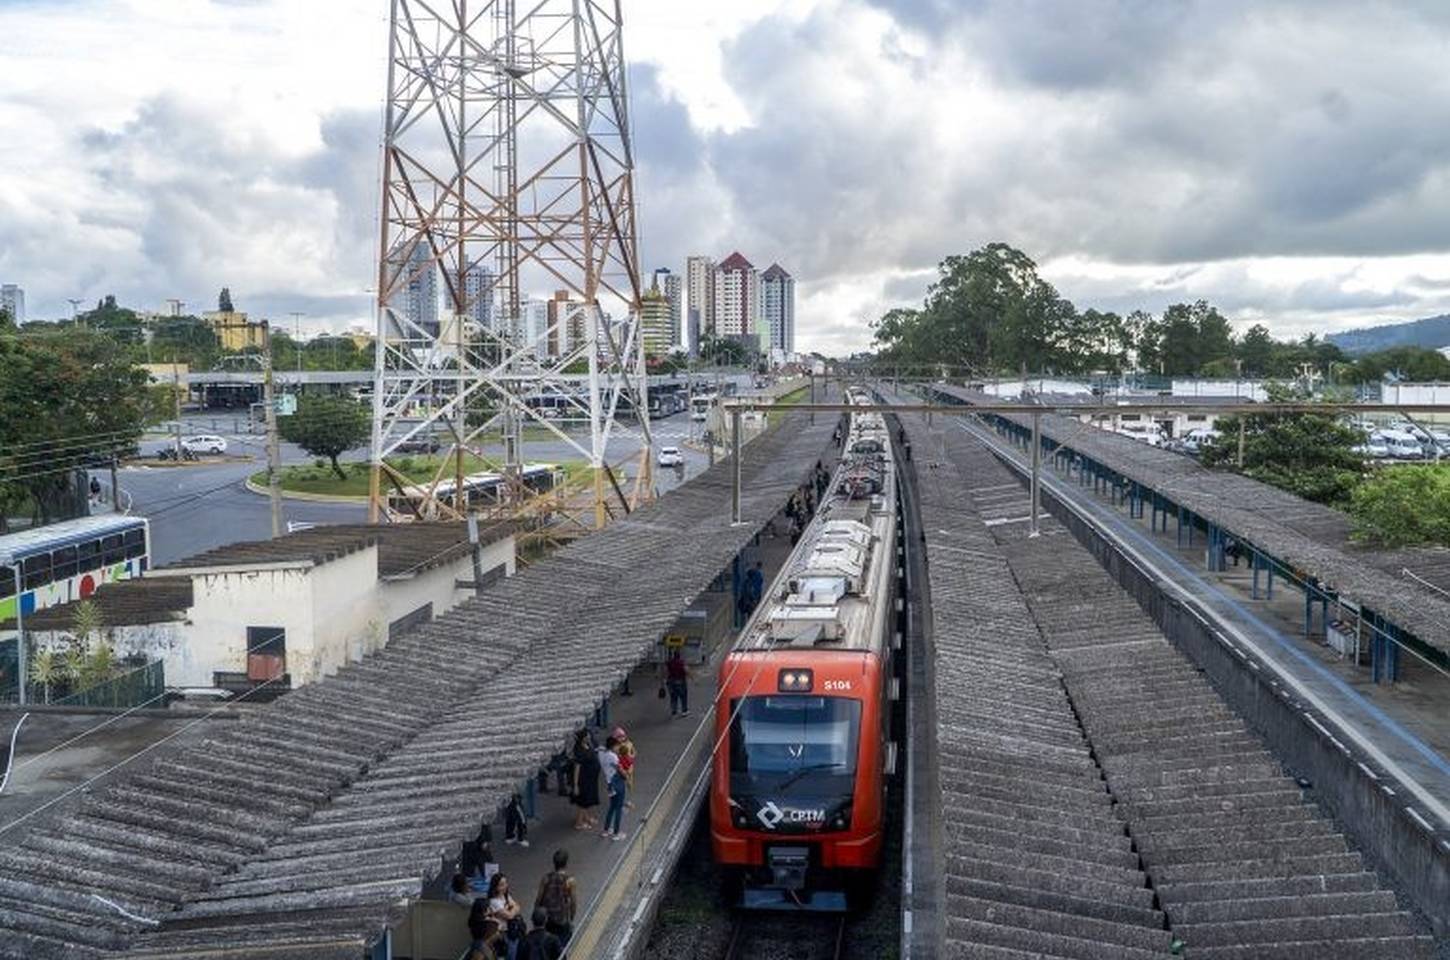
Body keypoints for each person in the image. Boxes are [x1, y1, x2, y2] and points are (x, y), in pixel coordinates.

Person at [535, 849, 578, 946]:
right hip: (562, 918)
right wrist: (571, 918)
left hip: (548, 917)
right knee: (561, 946)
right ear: (566, 863)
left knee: (548, 944)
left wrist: (537, 913)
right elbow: (573, 902)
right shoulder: (570, 881)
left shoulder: (546, 878)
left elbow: (539, 898)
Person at [487, 872, 525, 954]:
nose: (505, 886)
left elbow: (517, 906)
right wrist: (511, 908)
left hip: (512, 929)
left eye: (505, 883)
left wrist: (509, 909)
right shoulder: (494, 902)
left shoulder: (505, 896)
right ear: (495, 887)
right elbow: (510, 916)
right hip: (503, 933)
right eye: (501, 884)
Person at [570, 729, 600, 830]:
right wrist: (576, 784)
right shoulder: (579, 750)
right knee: (583, 801)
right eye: (587, 736)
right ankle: (579, 822)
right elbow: (577, 769)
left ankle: (586, 817)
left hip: (591, 778)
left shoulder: (588, 745)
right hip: (584, 779)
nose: (589, 737)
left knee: (589, 799)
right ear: (582, 738)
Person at [598, 735, 627, 840]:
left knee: (612, 807)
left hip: (609, 784)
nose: (618, 748)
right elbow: (620, 770)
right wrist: (626, 776)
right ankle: (616, 833)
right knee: (618, 808)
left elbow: (600, 747)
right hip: (618, 783)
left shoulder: (601, 753)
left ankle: (606, 830)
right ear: (613, 746)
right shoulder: (613, 757)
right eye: (617, 746)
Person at [665, 650, 690, 717]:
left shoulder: (670, 663)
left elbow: (666, 671)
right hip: (681, 681)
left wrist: (665, 681)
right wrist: (693, 679)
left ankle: (674, 710)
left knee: (673, 696)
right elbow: (686, 671)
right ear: (679, 656)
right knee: (683, 696)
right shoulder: (682, 663)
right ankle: (684, 710)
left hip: (672, 681)